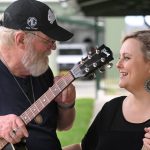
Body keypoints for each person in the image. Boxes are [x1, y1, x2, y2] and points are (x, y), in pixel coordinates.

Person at [0, 0, 76, 150]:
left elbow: (64, 126)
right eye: (49, 40)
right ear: (21, 39)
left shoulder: (42, 70)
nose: (53, 47)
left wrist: (66, 104)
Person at [63, 30, 150, 150]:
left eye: (127, 58)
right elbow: (83, 148)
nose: (118, 64)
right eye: (120, 57)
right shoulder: (112, 108)